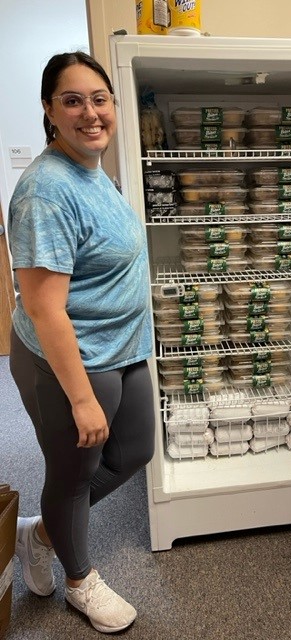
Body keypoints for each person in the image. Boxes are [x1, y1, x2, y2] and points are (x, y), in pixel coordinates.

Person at [8, 51, 155, 634]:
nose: (90, 112)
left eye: (99, 99)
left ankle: (40, 534)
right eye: (72, 100)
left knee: (133, 452)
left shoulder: (93, 170)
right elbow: (44, 308)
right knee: (72, 474)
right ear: (49, 110)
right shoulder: (46, 191)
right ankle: (79, 581)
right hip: (69, 361)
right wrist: (81, 399)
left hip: (121, 348)